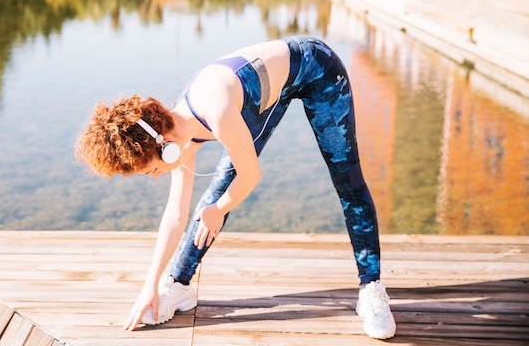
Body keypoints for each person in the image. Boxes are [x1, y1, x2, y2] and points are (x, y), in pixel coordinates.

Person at [75, 35, 396, 339]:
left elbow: (252, 175)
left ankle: (372, 289)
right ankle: (178, 285)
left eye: (152, 170)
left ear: (166, 146)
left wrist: (219, 209)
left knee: (348, 182)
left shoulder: (216, 109)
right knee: (220, 189)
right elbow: (175, 215)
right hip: (265, 92)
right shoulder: (177, 134)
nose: (157, 176)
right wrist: (150, 284)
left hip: (316, 69)